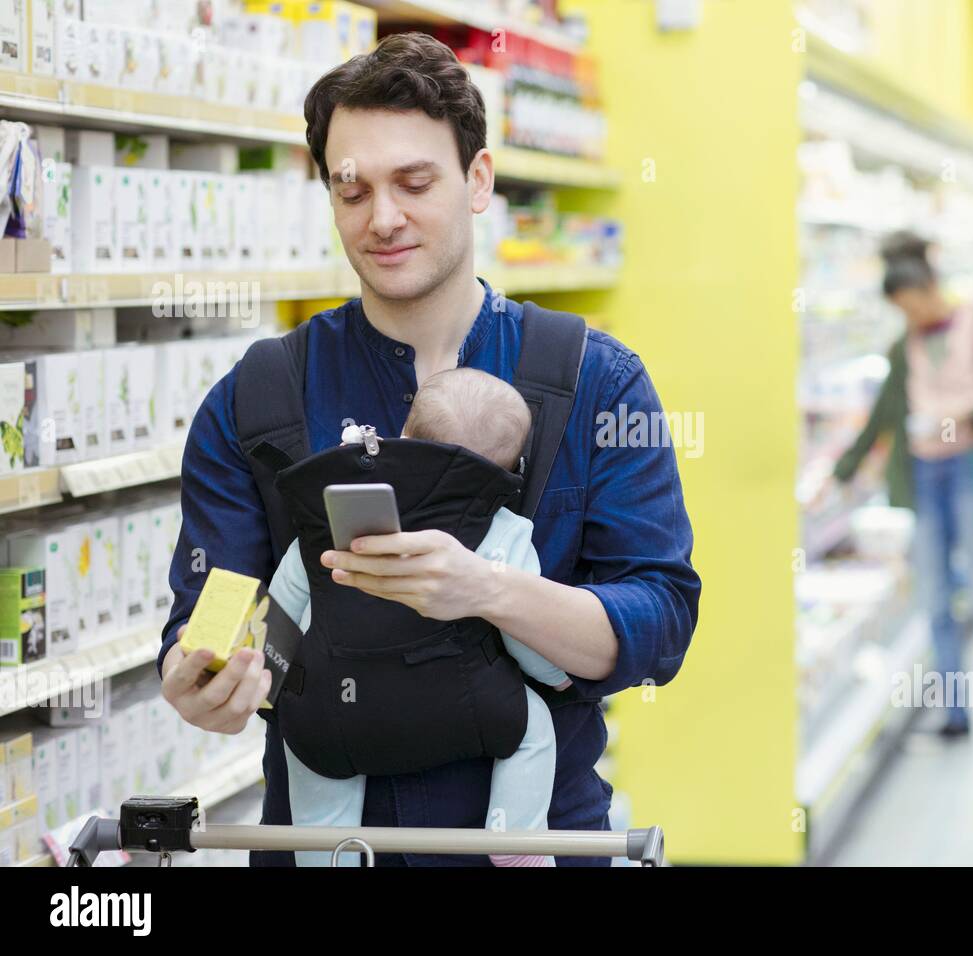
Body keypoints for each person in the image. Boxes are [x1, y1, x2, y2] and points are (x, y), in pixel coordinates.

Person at [157, 33, 701, 867]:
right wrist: (203, 684)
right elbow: (213, 604)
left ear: (478, 181)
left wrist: (489, 590)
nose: (383, 218)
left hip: (535, 844)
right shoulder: (257, 397)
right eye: (352, 190)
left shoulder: (596, 382)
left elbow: (660, 622)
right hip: (322, 841)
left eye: (415, 183)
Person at [270, 369, 569, 867]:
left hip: (333, 710)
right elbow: (522, 632)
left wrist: (258, 685)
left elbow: (280, 613)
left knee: (315, 776)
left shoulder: (328, 523)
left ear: (399, 438)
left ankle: (325, 860)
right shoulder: (503, 530)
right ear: (511, 466)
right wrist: (554, 674)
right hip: (463, 703)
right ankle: (516, 839)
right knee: (533, 726)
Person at [829, 239, 973, 745]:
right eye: (900, 312)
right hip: (926, 475)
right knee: (936, 601)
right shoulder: (906, 348)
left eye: (911, 305)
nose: (910, 317)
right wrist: (846, 468)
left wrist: (967, 416)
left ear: (928, 288)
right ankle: (955, 715)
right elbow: (883, 413)